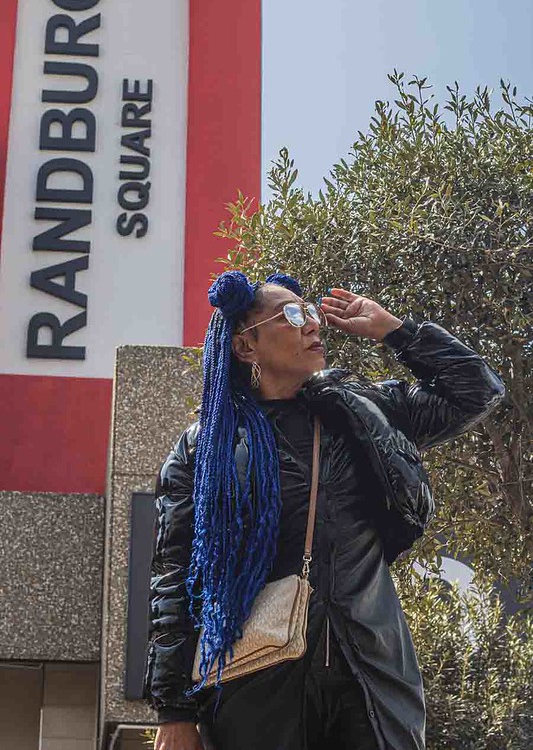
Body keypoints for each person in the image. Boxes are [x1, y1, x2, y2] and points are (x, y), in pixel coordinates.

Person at [143, 270, 505, 750]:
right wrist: (173, 711)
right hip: (256, 687)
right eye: (291, 315)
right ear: (245, 346)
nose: (312, 323)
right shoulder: (203, 451)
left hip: (371, 675)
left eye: (310, 311)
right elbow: (174, 581)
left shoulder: (362, 411)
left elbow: (477, 390)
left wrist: (394, 331)